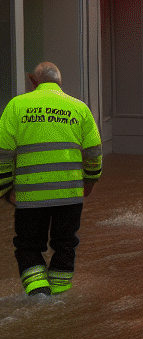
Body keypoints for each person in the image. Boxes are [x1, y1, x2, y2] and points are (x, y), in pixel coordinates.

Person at [1, 63, 102, 297]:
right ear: (60, 83)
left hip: (30, 196)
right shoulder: (79, 108)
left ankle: (39, 297)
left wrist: (5, 190)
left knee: (28, 246)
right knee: (65, 244)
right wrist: (89, 182)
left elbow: (2, 155)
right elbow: (94, 153)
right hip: (70, 195)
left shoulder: (17, 106)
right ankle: (59, 299)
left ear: (32, 82)